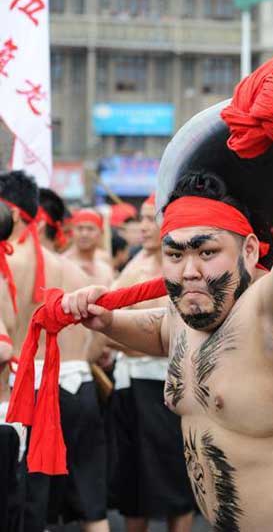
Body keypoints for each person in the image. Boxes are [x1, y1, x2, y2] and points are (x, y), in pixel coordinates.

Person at [62, 156, 273, 529]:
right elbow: (161, 330)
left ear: (248, 250)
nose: (190, 270)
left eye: (207, 252)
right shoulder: (188, 310)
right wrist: (108, 321)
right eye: (175, 254)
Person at [0, 171, 109, 532]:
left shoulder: (7, 267)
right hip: (80, 387)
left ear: (13, 214)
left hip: (31, 392)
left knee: (30, 504)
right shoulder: (75, 270)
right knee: (93, 505)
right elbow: (101, 336)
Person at [106, 194, 194, 532]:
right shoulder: (134, 264)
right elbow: (108, 332)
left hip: (167, 386)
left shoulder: (183, 269)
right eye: (140, 219)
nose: (143, 227)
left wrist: (128, 339)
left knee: (176, 483)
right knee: (132, 484)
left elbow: (176, 336)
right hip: (129, 385)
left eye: (149, 219)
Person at [66, 209, 116, 287]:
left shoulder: (105, 266)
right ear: (72, 231)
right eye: (80, 228)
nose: (84, 234)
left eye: (90, 229)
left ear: (101, 233)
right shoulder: (63, 263)